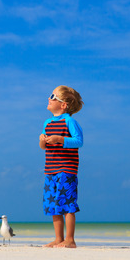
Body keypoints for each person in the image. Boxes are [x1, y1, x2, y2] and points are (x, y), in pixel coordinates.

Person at [39, 85, 83, 248]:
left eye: (53, 96)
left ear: (63, 104)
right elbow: (43, 147)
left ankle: (70, 239)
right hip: (50, 169)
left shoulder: (70, 121)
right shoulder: (47, 122)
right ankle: (58, 238)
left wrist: (61, 139)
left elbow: (79, 141)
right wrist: (42, 141)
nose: (49, 99)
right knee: (53, 205)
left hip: (66, 169)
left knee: (67, 204)